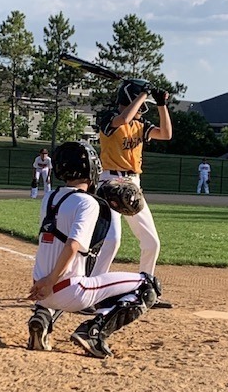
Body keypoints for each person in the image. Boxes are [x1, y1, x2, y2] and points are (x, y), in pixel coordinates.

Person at [27, 141, 162, 359]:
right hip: (67, 290)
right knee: (148, 286)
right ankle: (93, 332)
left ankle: (43, 316)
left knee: (76, 262)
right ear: (91, 169)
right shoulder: (88, 203)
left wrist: (47, 283)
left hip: (41, 290)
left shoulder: (50, 198)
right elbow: (72, 245)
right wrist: (52, 280)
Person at [91, 79, 173, 309]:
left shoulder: (141, 124)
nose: (141, 110)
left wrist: (161, 104)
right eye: (140, 103)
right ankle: (93, 292)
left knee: (152, 242)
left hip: (133, 184)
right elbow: (123, 119)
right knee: (112, 241)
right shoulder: (107, 118)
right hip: (109, 183)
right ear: (130, 100)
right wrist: (142, 94)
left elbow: (166, 134)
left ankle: (145, 290)